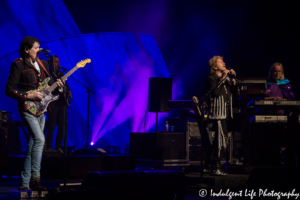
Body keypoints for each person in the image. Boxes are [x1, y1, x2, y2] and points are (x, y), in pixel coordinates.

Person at [5, 36, 64, 190]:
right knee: (39, 140)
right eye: (36, 47)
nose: (38, 50)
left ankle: (24, 183)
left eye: (39, 47)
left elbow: (45, 87)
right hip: (26, 107)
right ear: (26, 49)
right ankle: (35, 179)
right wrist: (28, 95)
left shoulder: (43, 64)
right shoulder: (18, 64)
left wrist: (57, 85)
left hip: (41, 108)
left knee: (33, 145)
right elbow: (9, 90)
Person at [205, 56, 238, 175]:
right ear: (214, 66)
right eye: (220, 62)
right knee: (221, 141)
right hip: (217, 114)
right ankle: (215, 166)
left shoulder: (227, 80)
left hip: (225, 114)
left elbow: (236, 93)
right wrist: (223, 78)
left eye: (223, 61)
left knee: (220, 140)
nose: (224, 63)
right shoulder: (211, 79)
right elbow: (215, 93)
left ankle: (210, 164)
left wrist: (233, 78)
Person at [45, 55, 72, 153]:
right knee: (51, 126)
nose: (58, 64)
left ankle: (58, 147)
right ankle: (48, 148)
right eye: (56, 62)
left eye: (58, 62)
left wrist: (69, 92)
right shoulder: (48, 73)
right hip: (52, 103)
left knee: (62, 127)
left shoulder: (61, 73)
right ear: (51, 63)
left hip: (61, 103)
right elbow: (49, 88)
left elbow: (66, 86)